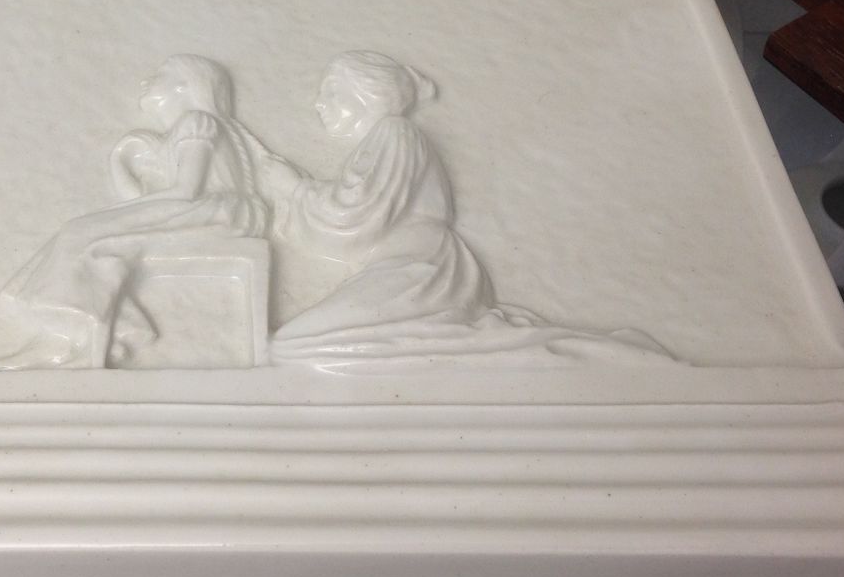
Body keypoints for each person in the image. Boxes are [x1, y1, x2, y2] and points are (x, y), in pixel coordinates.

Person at [271, 51, 670, 366]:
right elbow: (358, 208)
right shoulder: (381, 140)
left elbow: (354, 216)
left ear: (365, 93)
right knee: (300, 344)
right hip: (399, 268)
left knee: (295, 344)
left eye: (330, 91)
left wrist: (294, 188)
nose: (319, 103)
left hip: (421, 272)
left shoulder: (396, 132)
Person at [0, 55, 295, 369]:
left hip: (215, 212)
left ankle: (75, 333)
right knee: (87, 233)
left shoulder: (196, 121)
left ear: (184, 86)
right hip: (204, 211)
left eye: (160, 75)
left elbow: (186, 192)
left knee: (81, 232)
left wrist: (114, 214)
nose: (146, 82)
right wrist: (120, 162)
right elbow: (147, 203)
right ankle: (98, 332)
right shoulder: (190, 128)